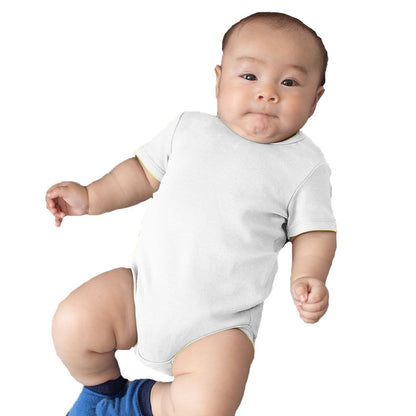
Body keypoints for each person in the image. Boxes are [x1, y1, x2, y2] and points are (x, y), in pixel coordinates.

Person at [46, 11, 337, 416]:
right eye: (249, 76)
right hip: (142, 292)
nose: (267, 93)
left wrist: (309, 276)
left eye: (289, 82)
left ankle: (144, 403)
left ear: (315, 99)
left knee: (209, 405)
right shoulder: (189, 129)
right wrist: (90, 196)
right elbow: (140, 174)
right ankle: (102, 391)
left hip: (219, 327)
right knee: (73, 322)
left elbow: (314, 232)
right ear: (219, 80)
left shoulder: (305, 166)